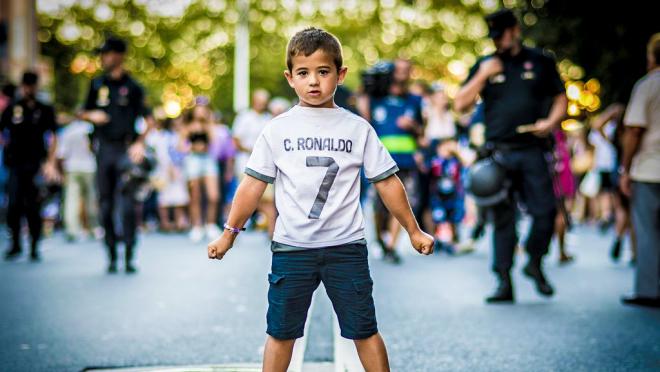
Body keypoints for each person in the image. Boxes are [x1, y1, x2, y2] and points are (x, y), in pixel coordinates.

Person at [207, 27, 434, 372]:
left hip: (346, 247)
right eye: (303, 73)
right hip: (292, 248)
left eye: (323, 71)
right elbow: (252, 185)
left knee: (364, 330)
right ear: (290, 78)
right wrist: (229, 233)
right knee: (281, 332)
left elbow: (388, 182)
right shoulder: (278, 129)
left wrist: (414, 230)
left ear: (340, 75)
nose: (313, 81)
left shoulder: (357, 128)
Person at [455, 9, 568, 303]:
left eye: (502, 34)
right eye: (493, 36)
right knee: (503, 221)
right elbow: (460, 104)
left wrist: (550, 122)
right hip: (499, 153)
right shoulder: (486, 63)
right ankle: (503, 281)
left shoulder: (541, 61)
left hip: (532, 149)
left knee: (546, 212)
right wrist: (482, 75)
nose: (498, 42)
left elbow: (560, 97)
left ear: (515, 30)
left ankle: (534, 260)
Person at [79, 37, 149, 273]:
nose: (102, 58)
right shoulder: (97, 84)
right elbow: (82, 111)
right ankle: (110, 253)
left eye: (107, 53)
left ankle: (129, 252)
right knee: (105, 205)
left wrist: (140, 143)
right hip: (104, 149)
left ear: (119, 55)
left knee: (128, 205)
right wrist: (92, 116)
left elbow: (149, 120)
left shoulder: (134, 87)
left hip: (126, 150)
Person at [358, 58, 424, 263]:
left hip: (405, 161)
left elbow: (422, 132)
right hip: (380, 160)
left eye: (407, 70)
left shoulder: (415, 100)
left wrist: (412, 126)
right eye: (399, 70)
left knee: (402, 203)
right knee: (379, 206)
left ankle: (391, 246)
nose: (403, 74)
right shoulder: (377, 98)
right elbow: (364, 118)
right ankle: (380, 239)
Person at [619, 33, 660, 308]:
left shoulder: (648, 86)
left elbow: (634, 129)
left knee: (648, 230)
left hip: (650, 167)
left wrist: (625, 168)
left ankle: (649, 290)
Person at [1, 71, 58, 261]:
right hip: (15, 163)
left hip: (35, 164)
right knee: (14, 204)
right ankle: (15, 244)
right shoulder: (14, 107)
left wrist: (50, 162)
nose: (28, 89)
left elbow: (53, 136)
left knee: (34, 205)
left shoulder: (44, 108)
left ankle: (34, 245)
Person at [179, 104, 221, 242]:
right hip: (193, 159)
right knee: (195, 195)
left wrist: (208, 123)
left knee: (213, 195)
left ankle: (210, 225)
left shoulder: (209, 126)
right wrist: (192, 147)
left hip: (208, 159)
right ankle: (197, 226)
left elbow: (215, 141)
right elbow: (180, 146)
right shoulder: (187, 126)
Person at [56, 113, 99, 241]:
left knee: (71, 199)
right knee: (91, 198)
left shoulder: (68, 131)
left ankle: (72, 230)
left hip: (72, 167)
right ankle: (93, 227)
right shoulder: (91, 129)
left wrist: (61, 171)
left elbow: (61, 154)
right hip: (90, 167)